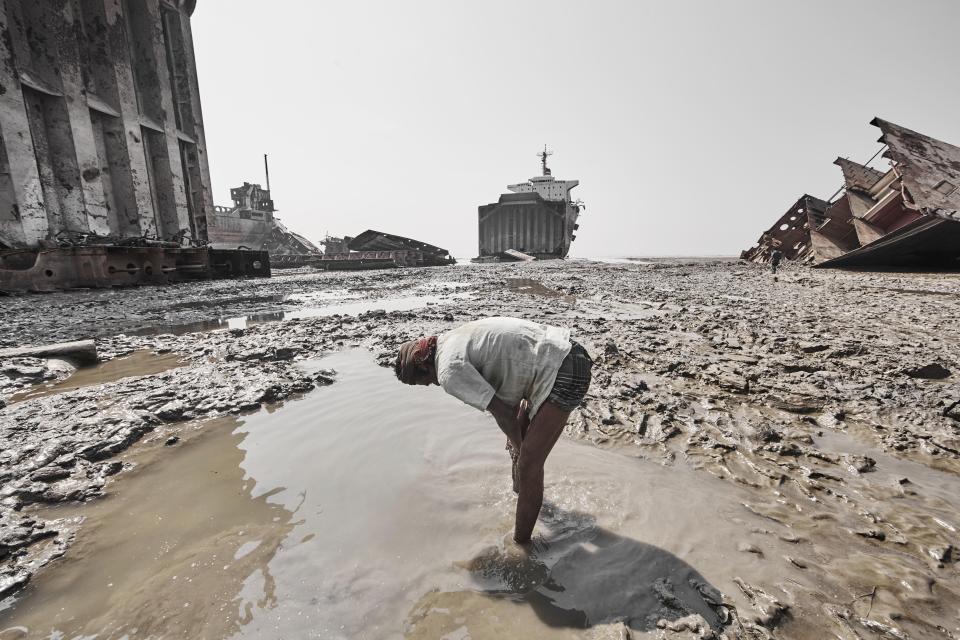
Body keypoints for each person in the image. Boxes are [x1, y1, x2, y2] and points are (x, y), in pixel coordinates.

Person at [395, 317, 593, 544]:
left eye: (428, 382)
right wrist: (516, 442)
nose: (434, 384)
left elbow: (504, 413)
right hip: (562, 355)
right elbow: (510, 393)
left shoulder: (447, 371)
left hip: (564, 369)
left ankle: (521, 548)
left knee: (528, 463)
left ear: (423, 365)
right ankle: (525, 497)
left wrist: (520, 449)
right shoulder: (451, 340)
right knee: (517, 447)